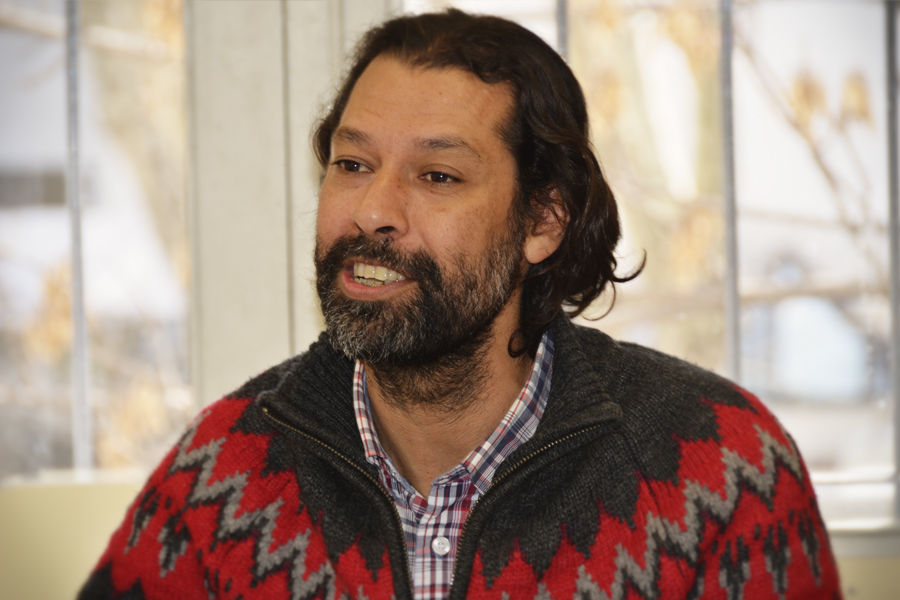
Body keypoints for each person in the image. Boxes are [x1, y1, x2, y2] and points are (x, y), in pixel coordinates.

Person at [79, 9, 840, 600]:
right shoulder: (221, 474)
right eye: (353, 163)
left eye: (437, 176)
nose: (372, 211)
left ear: (542, 221)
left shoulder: (722, 469)